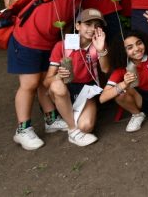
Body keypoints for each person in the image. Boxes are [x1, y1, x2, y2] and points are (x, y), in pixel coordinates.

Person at [8, 0, 91, 151]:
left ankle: (51, 119)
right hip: (28, 37)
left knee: (46, 80)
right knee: (29, 84)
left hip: (49, 41)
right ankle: (23, 129)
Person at [44, 9, 109, 146]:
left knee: (86, 127)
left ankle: (69, 119)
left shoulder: (98, 45)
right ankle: (73, 131)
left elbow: (105, 69)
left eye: (97, 25)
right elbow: (47, 81)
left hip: (86, 89)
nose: (92, 29)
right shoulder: (62, 46)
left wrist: (101, 50)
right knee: (56, 85)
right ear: (78, 25)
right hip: (65, 89)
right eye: (88, 24)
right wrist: (58, 75)